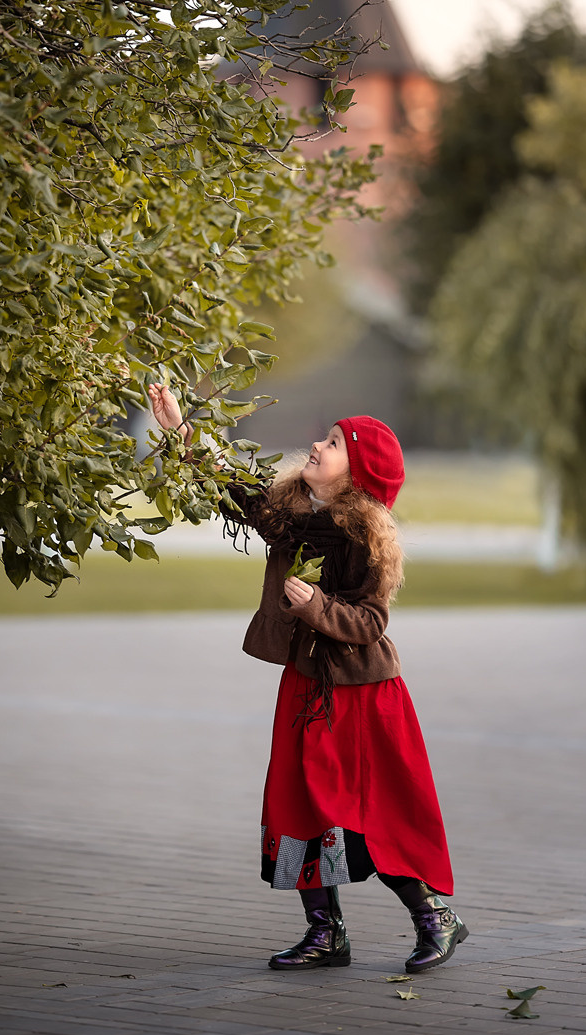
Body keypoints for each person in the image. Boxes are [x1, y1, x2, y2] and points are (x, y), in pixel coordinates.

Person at [147, 383, 469, 974]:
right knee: (298, 802)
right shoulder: (295, 516)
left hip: (361, 694)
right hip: (306, 684)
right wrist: (179, 433)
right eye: (323, 437)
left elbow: (369, 621)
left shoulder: (365, 538)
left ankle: (435, 920)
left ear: (359, 473)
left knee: (371, 811)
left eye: (334, 443)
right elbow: (238, 497)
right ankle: (325, 934)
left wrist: (316, 604)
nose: (317, 447)